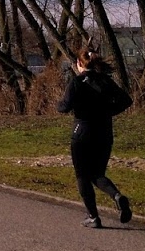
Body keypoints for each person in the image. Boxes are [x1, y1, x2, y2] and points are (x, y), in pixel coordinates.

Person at [57, 49, 134, 229]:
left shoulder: (76, 82)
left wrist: (59, 105)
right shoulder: (105, 80)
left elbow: (64, 107)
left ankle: (93, 216)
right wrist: (109, 112)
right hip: (104, 132)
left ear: (78, 63)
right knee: (97, 173)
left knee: (82, 175)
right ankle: (117, 196)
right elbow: (126, 100)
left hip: (82, 132)